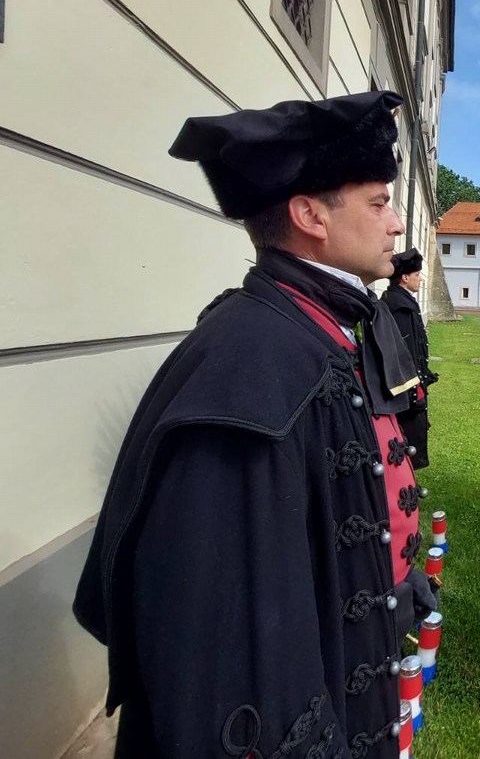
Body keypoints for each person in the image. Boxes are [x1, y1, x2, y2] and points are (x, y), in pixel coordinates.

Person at [73, 92, 438, 759]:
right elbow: (229, 641)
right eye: (379, 203)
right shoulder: (256, 358)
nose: (395, 226)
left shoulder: (315, 326)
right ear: (309, 216)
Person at [384, 248, 438, 488]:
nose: (420, 278)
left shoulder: (402, 301)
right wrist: (415, 386)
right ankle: (403, 485)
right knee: (407, 436)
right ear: (404, 277)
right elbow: (403, 353)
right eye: (417, 274)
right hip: (406, 389)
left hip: (414, 384)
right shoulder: (399, 306)